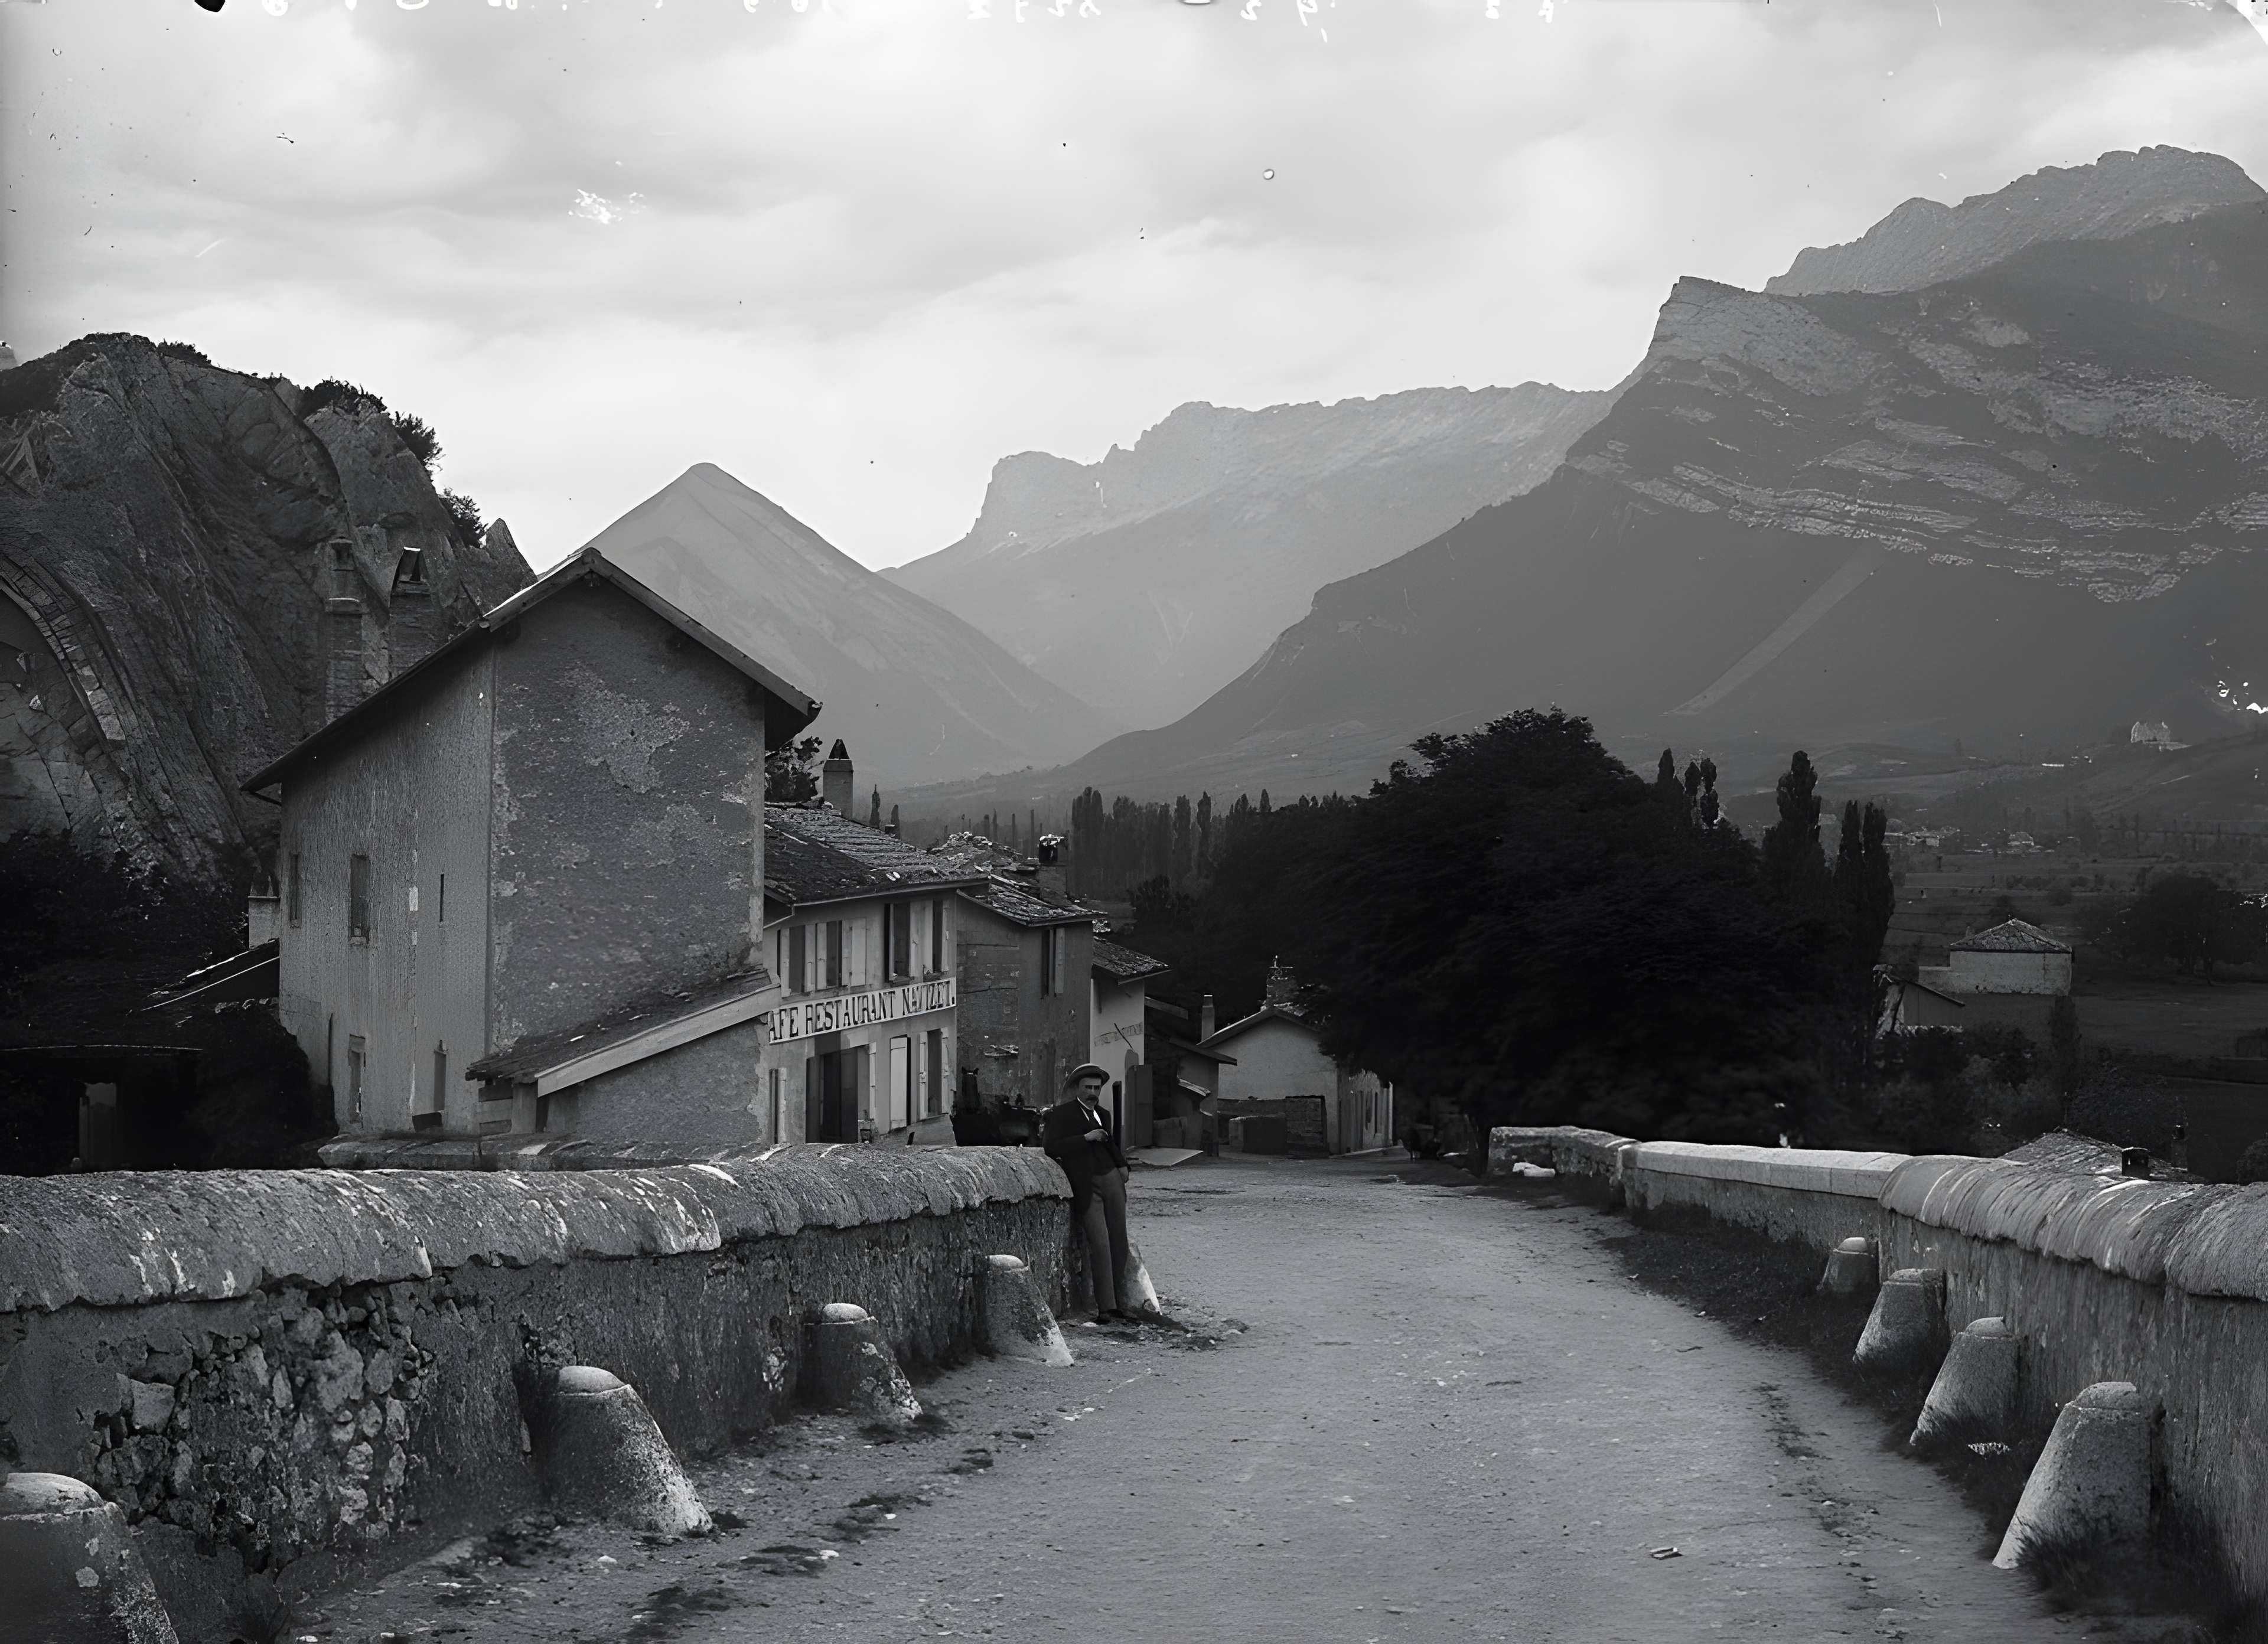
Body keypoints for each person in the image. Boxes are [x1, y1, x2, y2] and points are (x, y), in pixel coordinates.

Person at [1041, 1063, 1138, 1323]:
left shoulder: (1104, 1114)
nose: (1092, 1093)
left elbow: (1111, 1143)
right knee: (1100, 1242)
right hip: (1085, 1183)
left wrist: (1122, 1166)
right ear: (1077, 1089)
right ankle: (1105, 1308)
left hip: (1112, 1180)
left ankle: (1120, 1304)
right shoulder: (1059, 1115)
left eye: (1097, 1088)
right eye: (1088, 1088)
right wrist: (1086, 1138)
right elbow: (1051, 1147)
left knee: (1120, 1240)